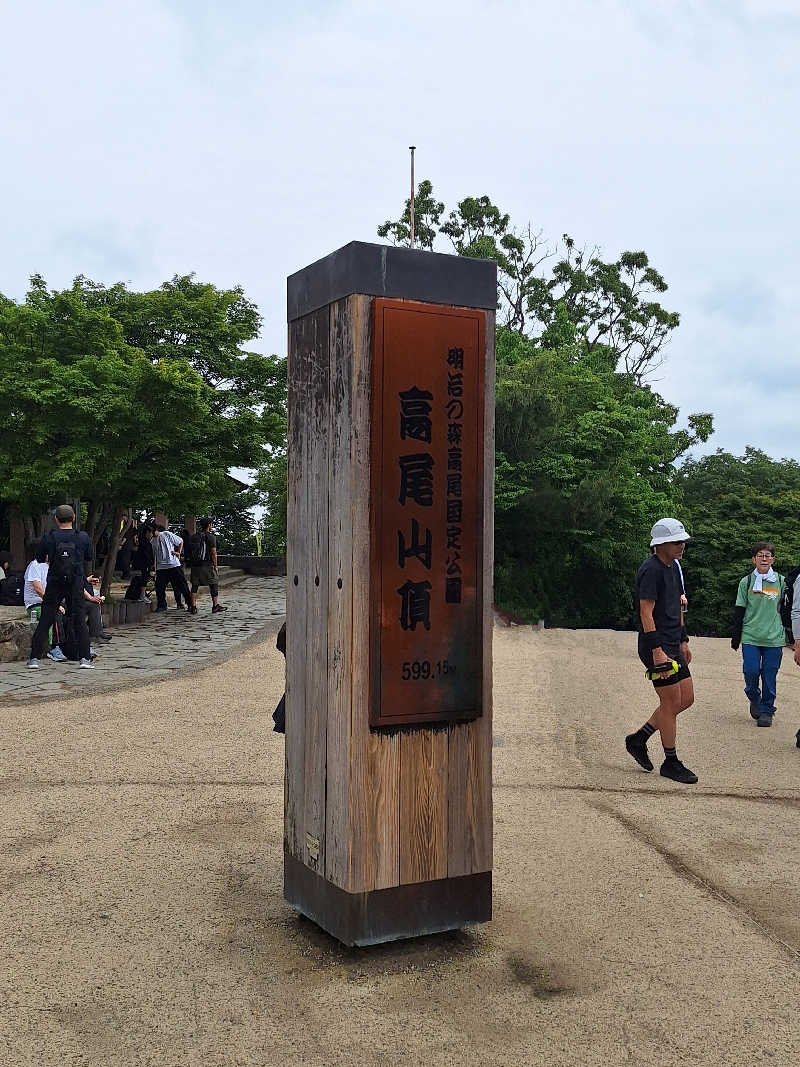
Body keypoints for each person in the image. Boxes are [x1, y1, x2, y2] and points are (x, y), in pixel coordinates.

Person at [624, 517, 697, 785]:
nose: (682, 546)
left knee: (685, 699)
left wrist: (683, 639)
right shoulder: (651, 570)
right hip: (656, 645)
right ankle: (671, 761)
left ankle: (638, 738)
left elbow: (678, 606)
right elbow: (646, 613)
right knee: (670, 702)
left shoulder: (674, 567)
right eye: (677, 542)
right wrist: (657, 650)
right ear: (660, 544)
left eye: (683, 542)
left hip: (673, 642)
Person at [28, 504, 94, 670]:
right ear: (74, 518)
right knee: (79, 620)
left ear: (56, 519)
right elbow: (89, 557)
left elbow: (40, 558)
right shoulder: (83, 537)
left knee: (46, 619)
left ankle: (34, 659)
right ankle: (85, 658)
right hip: (76, 582)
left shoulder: (49, 537)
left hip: (55, 582)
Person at [730, 542, 785, 728]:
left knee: (770, 675)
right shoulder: (746, 582)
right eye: (760, 555)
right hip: (751, 636)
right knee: (751, 671)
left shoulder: (781, 581)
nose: (764, 558)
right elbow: (739, 609)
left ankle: (767, 710)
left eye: (768, 555)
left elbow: (789, 609)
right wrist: (736, 636)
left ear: (773, 559)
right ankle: (754, 696)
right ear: (754, 559)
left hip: (774, 637)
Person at [23, 546, 68, 662]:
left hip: (50, 601)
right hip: (35, 603)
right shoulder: (35, 565)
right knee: (54, 613)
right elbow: (38, 589)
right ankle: (54, 647)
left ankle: (75, 645)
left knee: (73, 610)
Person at [187, 518, 226, 614]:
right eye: (211, 524)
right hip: (207, 565)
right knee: (214, 584)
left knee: (195, 585)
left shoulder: (194, 536)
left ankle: (193, 606)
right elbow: (213, 553)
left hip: (195, 565)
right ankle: (215, 605)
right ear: (209, 525)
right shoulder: (211, 537)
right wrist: (215, 566)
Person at [153, 524, 194, 613]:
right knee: (159, 587)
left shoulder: (166, 534)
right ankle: (162, 605)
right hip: (161, 567)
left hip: (173, 565)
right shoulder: (152, 540)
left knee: (182, 586)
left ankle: (190, 604)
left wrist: (178, 552)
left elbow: (180, 541)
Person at [125, 522, 154, 603]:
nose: (152, 534)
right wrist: (151, 563)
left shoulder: (144, 541)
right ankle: (142, 595)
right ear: (147, 532)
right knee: (143, 579)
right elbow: (146, 554)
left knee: (143, 579)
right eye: (151, 532)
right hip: (143, 564)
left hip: (143, 564)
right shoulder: (144, 542)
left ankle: (142, 595)